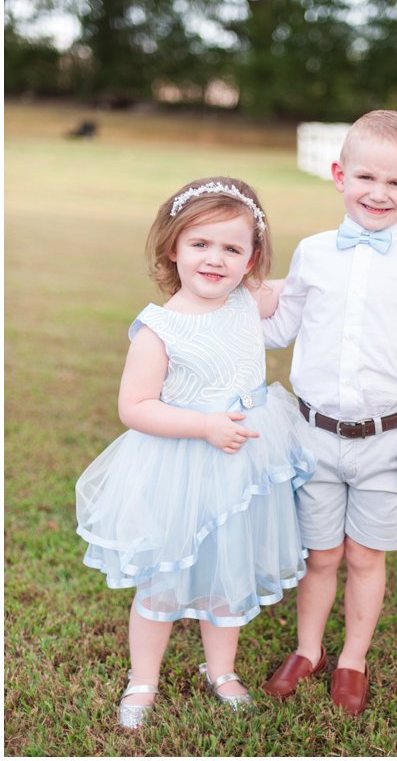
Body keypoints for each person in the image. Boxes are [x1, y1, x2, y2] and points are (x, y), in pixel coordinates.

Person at [75, 177, 311, 730]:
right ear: (172, 248)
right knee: (163, 577)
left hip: (242, 461)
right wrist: (203, 425)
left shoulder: (248, 300)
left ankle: (221, 669)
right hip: (179, 465)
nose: (215, 258)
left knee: (230, 568)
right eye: (200, 243)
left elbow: (303, 286)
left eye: (232, 248)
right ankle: (143, 679)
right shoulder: (158, 330)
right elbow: (135, 406)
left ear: (251, 259)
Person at [261, 110, 397, 716]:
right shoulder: (314, 252)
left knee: (366, 556)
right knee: (320, 555)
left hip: (389, 440)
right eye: (366, 177)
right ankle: (309, 649)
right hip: (313, 434)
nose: (379, 192)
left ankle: (353, 658)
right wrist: (235, 295)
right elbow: (282, 328)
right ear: (339, 175)